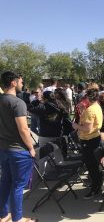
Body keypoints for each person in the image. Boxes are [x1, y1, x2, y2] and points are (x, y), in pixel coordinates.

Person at [0, 71, 37, 222]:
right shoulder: (17, 102)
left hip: (3, 149)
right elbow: (23, 129)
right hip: (18, 151)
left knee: (5, 182)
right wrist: (31, 148)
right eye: (21, 81)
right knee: (18, 186)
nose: (22, 84)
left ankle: (3, 215)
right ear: (13, 83)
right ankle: (18, 219)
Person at [72, 88, 103, 199]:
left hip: (90, 140)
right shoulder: (96, 106)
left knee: (92, 166)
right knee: (94, 166)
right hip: (94, 139)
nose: (84, 100)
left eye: (85, 97)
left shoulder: (90, 110)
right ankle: (96, 185)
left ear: (89, 98)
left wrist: (76, 126)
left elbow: (88, 129)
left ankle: (96, 188)